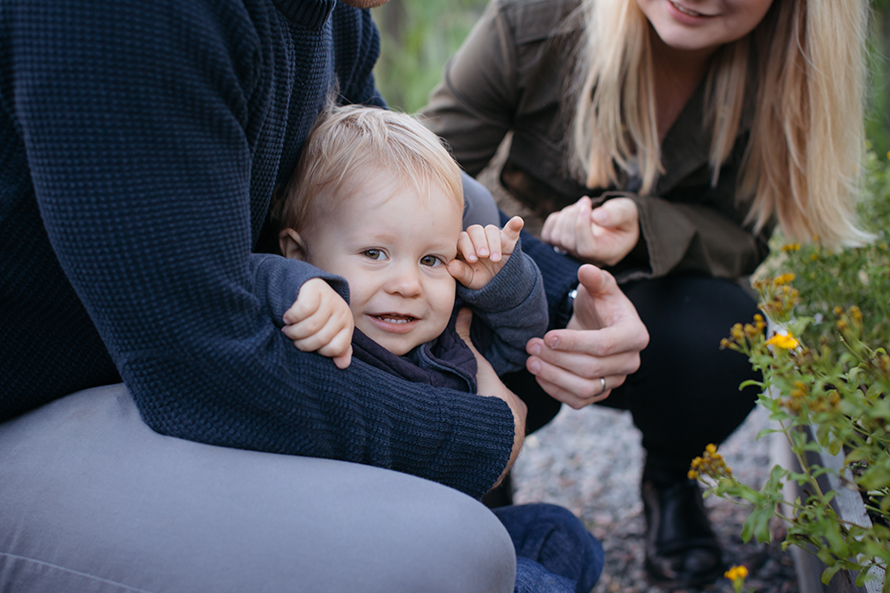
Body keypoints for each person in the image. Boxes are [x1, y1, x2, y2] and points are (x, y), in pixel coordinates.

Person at [0, 0, 647, 591]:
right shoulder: (122, 17)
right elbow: (200, 366)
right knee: (455, 551)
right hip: (41, 408)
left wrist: (566, 300)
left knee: (445, 199)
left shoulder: (336, 17)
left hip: (143, 373)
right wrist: (476, 430)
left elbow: (390, 179)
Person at [419, 0, 871, 587]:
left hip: (656, 318)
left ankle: (671, 478)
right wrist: (523, 275)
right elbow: (414, 172)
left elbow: (744, 237)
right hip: (509, 302)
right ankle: (479, 465)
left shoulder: (784, 68)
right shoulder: (535, 21)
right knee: (434, 303)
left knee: (727, 331)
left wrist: (646, 224)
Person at [269, 102, 604, 593]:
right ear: (298, 251)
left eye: (431, 259)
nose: (407, 283)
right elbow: (250, 283)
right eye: (374, 253)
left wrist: (501, 282)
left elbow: (520, 342)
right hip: (364, 552)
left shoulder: (445, 337)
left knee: (560, 531)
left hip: (448, 532)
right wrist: (299, 284)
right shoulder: (317, 322)